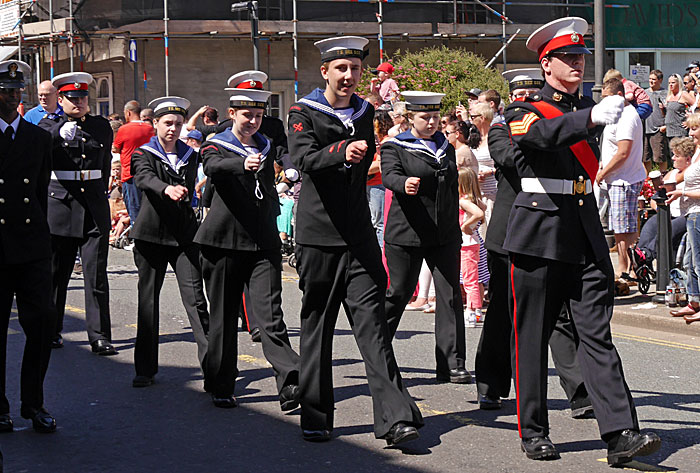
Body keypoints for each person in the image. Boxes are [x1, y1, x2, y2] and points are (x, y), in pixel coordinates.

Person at [504, 17, 660, 464]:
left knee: (597, 334)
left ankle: (621, 434)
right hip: (539, 231)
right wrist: (589, 116)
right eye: (568, 57)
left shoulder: (592, 105)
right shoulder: (524, 110)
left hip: (585, 230)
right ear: (546, 63)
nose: (577, 63)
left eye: (581, 57)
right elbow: (538, 136)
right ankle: (533, 430)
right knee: (532, 337)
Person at [287, 36, 423, 444]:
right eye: (340, 69)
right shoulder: (302, 111)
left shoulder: (364, 111)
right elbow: (304, 159)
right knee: (318, 326)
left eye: (355, 69)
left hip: (358, 235)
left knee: (373, 326)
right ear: (324, 71)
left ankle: (395, 418)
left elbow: (364, 163)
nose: (348, 77)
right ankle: (315, 414)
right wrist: (342, 151)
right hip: (319, 235)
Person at [476, 67, 593, 417]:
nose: (527, 102)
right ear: (513, 98)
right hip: (510, 233)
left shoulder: (550, 124)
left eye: (533, 96)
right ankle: (491, 383)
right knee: (502, 312)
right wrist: (545, 143)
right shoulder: (501, 128)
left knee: (558, 315)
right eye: (522, 96)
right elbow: (509, 159)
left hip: (549, 228)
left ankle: (579, 390)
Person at [195, 80, 301, 411]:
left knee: (270, 316)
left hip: (261, 242)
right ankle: (221, 381)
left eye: (257, 115)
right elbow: (212, 166)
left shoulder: (266, 144)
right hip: (223, 241)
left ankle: (291, 381)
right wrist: (241, 164)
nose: (252, 121)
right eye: (246, 115)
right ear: (232, 114)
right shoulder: (217, 144)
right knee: (225, 317)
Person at [381, 90, 469, 384]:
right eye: (424, 117)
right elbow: (388, 175)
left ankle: (452, 363)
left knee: (449, 296)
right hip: (408, 232)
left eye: (435, 117)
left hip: (443, 233)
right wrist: (403, 182)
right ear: (410, 118)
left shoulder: (446, 146)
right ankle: (377, 349)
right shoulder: (396, 145)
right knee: (399, 293)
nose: (431, 122)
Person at [128, 96, 210, 387]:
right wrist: (167, 189)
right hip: (151, 236)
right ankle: (145, 369)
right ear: (154, 125)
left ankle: (213, 369)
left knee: (196, 301)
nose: (173, 129)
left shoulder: (190, 154)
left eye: (177, 123)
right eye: (167, 123)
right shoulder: (144, 154)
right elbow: (144, 179)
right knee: (148, 302)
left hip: (184, 236)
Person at [39, 72, 116, 355]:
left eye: (83, 98)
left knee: (96, 275)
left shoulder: (100, 126)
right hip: (61, 204)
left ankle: (99, 335)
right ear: (61, 100)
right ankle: (52, 330)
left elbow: (105, 163)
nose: (79, 103)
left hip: (93, 206)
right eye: (72, 98)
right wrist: (57, 136)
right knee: (57, 274)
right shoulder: (50, 126)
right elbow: (39, 150)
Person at [0, 60, 57, 433]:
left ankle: (33, 403)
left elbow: (37, 192)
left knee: (40, 326)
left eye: (18, 90)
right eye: (6, 90)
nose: (14, 96)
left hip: (31, 246)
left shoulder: (38, 138)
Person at [597, 78, 646, 282]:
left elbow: (623, 152)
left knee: (622, 229)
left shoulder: (626, 117)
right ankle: (630, 267)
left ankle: (625, 268)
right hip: (620, 177)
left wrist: (602, 172)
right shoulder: (619, 115)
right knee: (623, 227)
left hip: (622, 179)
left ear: (619, 96)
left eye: (607, 99)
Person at [631, 137, 693, 273]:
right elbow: (654, 199)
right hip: (667, 213)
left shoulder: (693, 176)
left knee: (665, 230)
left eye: (677, 156)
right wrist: (658, 207)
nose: (673, 158)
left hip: (686, 215)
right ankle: (640, 255)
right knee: (650, 226)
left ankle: (646, 255)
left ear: (688, 159)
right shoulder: (671, 174)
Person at [667, 113, 700, 323]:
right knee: (688, 261)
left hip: (698, 213)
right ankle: (694, 301)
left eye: (694, 129)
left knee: (698, 261)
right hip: (691, 214)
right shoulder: (696, 154)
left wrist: (682, 193)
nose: (691, 133)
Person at [113, 100, 155, 224]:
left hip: (129, 174)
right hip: (147, 173)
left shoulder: (124, 129)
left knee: (134, 210)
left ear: (128, 112)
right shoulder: (149, 128)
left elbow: (116, 148)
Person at [458, 168, 485, 327]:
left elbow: (479, 214)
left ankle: (471, 311)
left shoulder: (464, 201)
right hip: (474, 242)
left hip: (466, 244)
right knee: (477, 278)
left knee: (470, 280)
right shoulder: (474, 199)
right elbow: (483, 209)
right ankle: (477, 311)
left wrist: (465, 225)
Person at [469, 102, 497, 231]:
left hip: (492, 193)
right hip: (475, 192)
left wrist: (489, 172)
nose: (471, 120)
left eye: (473, 117)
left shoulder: (496, 137)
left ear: (483, 117)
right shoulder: (472, 137)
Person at [367, 109, 392, 246]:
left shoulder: (387, 141)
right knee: (373, 221)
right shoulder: (375, 140)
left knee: (379, 222)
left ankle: (382, 252)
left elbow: (381, 163)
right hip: (370, 184)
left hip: (378, 185)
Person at [644, 69, 669, 173]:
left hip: (658, 129)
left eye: (654, 79)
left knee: (660, 157)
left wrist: (666, 126)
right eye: (650, 79)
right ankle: (647, 182)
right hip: (645, 129)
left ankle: (663, 179)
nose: (651, 81)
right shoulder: (644, 93)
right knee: (645, 158)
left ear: (660, 80)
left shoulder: (665, 93)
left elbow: (670, 112)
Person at [664, 73, 694, 139]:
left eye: (673, 83)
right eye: (669, 83)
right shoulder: (669, 96)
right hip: (669, 132)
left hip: (680, 132)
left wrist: (689, 121)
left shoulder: (683, 94)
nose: (670, 85)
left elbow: (696, 107)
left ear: (679, 83)